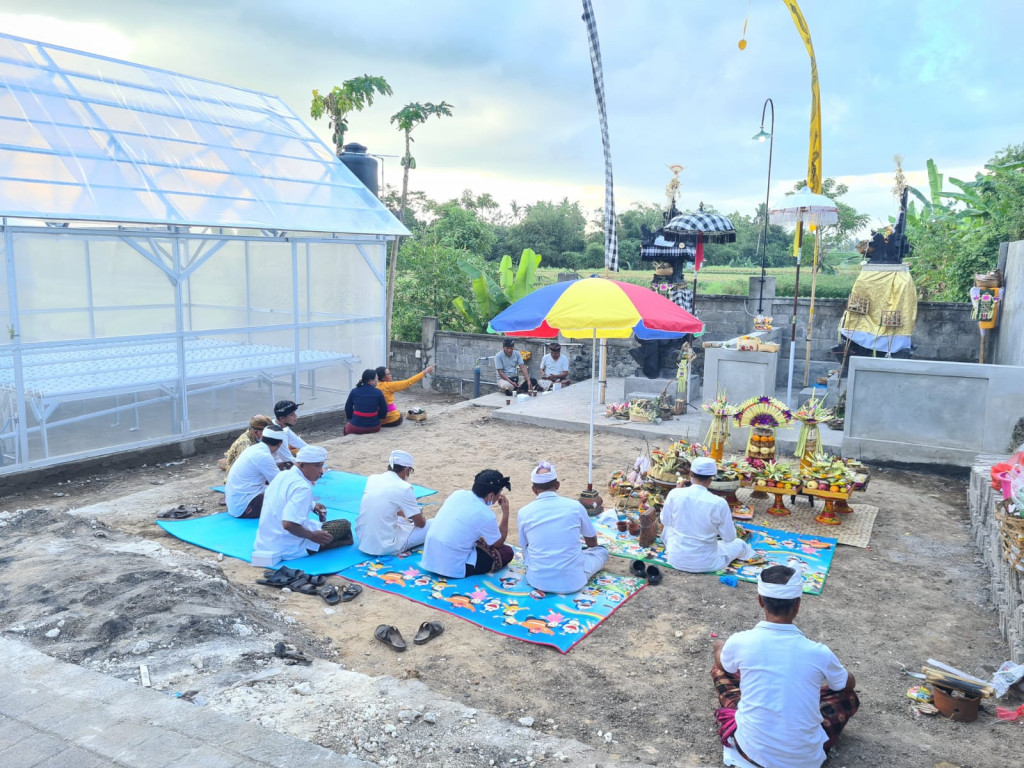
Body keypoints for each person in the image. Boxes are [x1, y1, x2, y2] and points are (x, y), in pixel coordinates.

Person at [712, 565, 859, 768]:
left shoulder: (741, 641)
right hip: (804, 761)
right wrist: (842, 673)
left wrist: (719, 647)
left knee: (720, 671)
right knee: (847, 697)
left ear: (760, 601)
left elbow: (722, 663)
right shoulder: (819, 652)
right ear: (798, 605)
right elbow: (846, 685)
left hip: (751, 752)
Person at [517, 460, 608, 593]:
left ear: (534, 489)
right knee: (602, 551)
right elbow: (592, 542)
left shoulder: (523, 512)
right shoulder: (575, 506)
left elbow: (525, 545)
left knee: (528, 552)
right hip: (573, 582)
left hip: (537, 580)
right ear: (557, 485)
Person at [253, 446, 351, 560]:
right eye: (317, 466)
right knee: (345, 525)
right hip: (288, 547)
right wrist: (313, 536)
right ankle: (324, 546)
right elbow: (289, 524)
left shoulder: (282, 475)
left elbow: (284, 499)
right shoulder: (302, 487)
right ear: (303, 465)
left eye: (322, 465)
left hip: (264, 542)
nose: (321, 471)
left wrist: (313, 505)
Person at [659, 456, 754, 572]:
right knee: (739, 544)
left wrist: (677, 491)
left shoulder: (675, 494)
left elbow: (665, 521)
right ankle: (754, 558)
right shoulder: (719, 503)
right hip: (707, 563)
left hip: (676, 560)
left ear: (691, 474)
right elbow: (729, 538)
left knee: (667, 530)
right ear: (711, 478)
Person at [421, 469, 514, 578]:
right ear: (491, 496)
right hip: (453, 567)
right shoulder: (486, 515)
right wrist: (506, 513)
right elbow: (498, 543)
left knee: (476, 536)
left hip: (430, 559)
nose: (500, 495)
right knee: (507, 552)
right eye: (499, 492)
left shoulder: (457, 494)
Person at [356, 449, 430, 556]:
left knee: (398, 519)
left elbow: (386, 508)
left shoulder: (373, 478)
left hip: (363, 541)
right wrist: (420, 514)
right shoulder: (404, 487)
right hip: (385, 546)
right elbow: (420, 524)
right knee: (433, 524)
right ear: (407, 469)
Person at [225, 425, 286, 518]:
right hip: (244, 508)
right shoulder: (264, 456)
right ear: (280, 444)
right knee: (287, 495)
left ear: (262, 437)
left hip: (234, 504)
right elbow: (279, 483)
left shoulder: (253, 449)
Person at [344, 369, 388, 435]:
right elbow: (384, 409)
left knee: (345, 430)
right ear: (371, 381)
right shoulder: (378, 392)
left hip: (356, 427)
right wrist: (378, 418)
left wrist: (351, 418)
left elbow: (347, 408)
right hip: (374, 427)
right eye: (376, 378)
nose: (378, 379)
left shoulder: (354, 391)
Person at [270, 400, 308, 468]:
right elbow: (287, 458)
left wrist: (314, 452)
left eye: (294, 413)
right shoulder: (277, 433)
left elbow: (299, 443)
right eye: (291, 415)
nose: (295, 416)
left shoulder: (282, 427)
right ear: (282, 419)